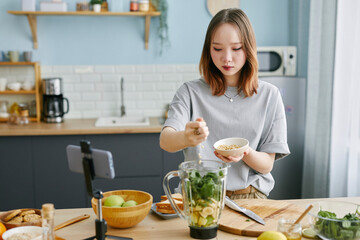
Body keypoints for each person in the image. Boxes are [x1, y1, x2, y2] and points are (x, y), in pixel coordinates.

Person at [159, 8, 290, 199]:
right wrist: (186, 138)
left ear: (249, 48)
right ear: (208, 49)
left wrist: (244, 152)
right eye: (217, 49)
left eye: (236, 48)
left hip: (249, 197)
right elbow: (166, 140)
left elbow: (266, 165)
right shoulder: (189, 92)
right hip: (197, 197)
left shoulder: (270, 95)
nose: (227, 58)